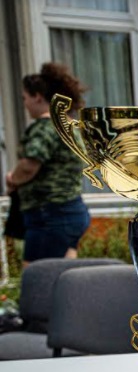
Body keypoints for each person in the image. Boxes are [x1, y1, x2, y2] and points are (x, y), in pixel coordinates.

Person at [5, 63, 91, 266]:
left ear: (37, 97)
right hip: (71, 211)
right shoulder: (68, 126)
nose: (25, 104)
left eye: (25, 98)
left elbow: (29, 166)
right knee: (63, 276)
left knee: (36, 277)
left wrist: (12, 179)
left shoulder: (45, 127)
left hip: (50, 216)